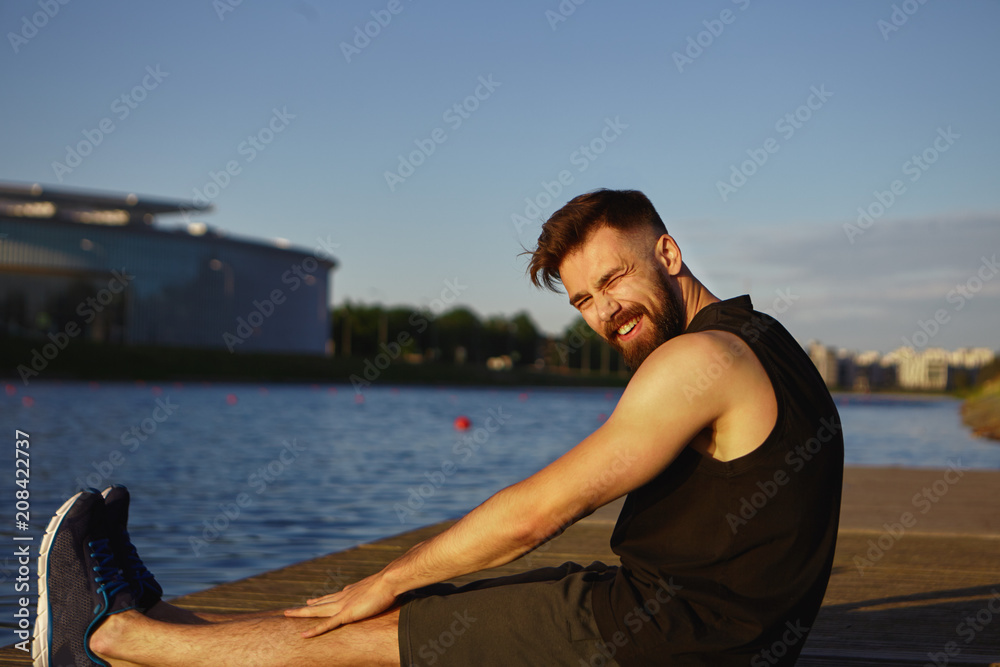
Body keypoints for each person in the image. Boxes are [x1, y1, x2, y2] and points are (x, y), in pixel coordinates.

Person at [37, 189, 843, 667]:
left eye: (613, 279)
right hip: (698, 627)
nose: (605, 313)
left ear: (666, 252)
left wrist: (381, 581)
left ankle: (111, 636)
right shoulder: (761, 337)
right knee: (423, 613)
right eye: (583, 302)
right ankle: (163, 624)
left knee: (375, 632)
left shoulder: (699, 362)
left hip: (669, 639)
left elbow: (537, 513)